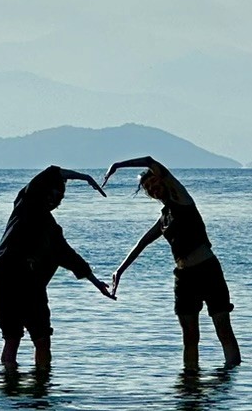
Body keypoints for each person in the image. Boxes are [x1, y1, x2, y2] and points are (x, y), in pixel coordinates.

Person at [102, 156, 242, 370]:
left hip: (208, 271)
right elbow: (142, 243)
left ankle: (232, 377)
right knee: (189, 338)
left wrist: (118, 165)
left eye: (155, 182)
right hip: (184, 278)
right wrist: (119, 270)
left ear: (164, 181)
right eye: (148, 187)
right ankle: (189, 383)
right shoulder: (165, 217)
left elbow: (150, 160)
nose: (153, 188)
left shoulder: (181, 199)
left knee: (223, 329)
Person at [0, 166, 113, 370]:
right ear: (43, 192)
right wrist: (84, 177)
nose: (55, 201)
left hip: (32, 288)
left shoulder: (52, 230)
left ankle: (41, 386)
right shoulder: (26, 205)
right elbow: (52, 171)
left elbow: (72, 258)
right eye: (53, 195)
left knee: (42, 340)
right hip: (6, 280)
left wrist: (97, 283)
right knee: (12, 338)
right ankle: (10, 386)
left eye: (60, 199)